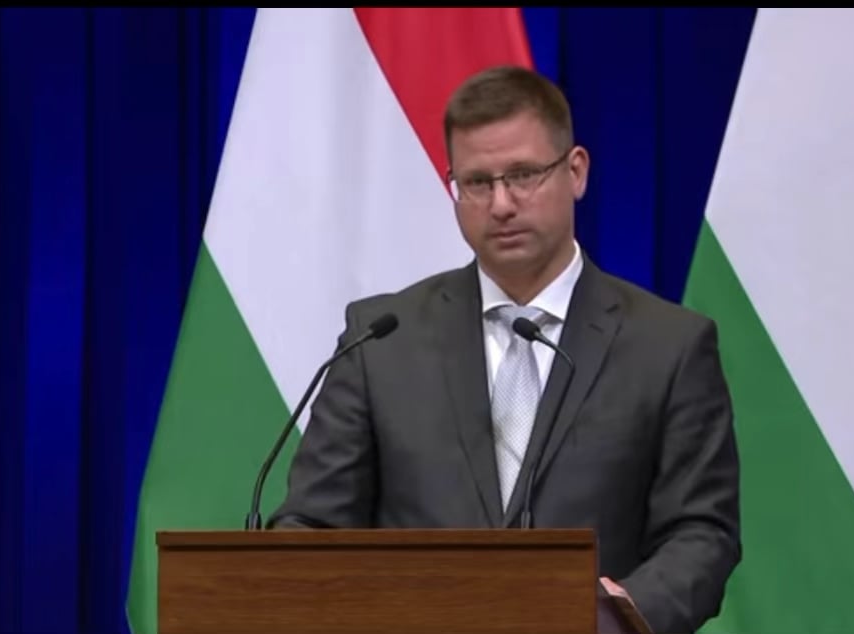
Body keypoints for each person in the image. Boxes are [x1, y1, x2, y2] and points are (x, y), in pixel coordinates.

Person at [269, 64, 741, 634]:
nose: (500, 204)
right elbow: (313, 523)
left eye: (522, 175)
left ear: (576, 172)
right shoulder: (382, 338)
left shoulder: (668, 346)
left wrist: (615, 615)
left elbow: (702, 532)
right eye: (477, 182)